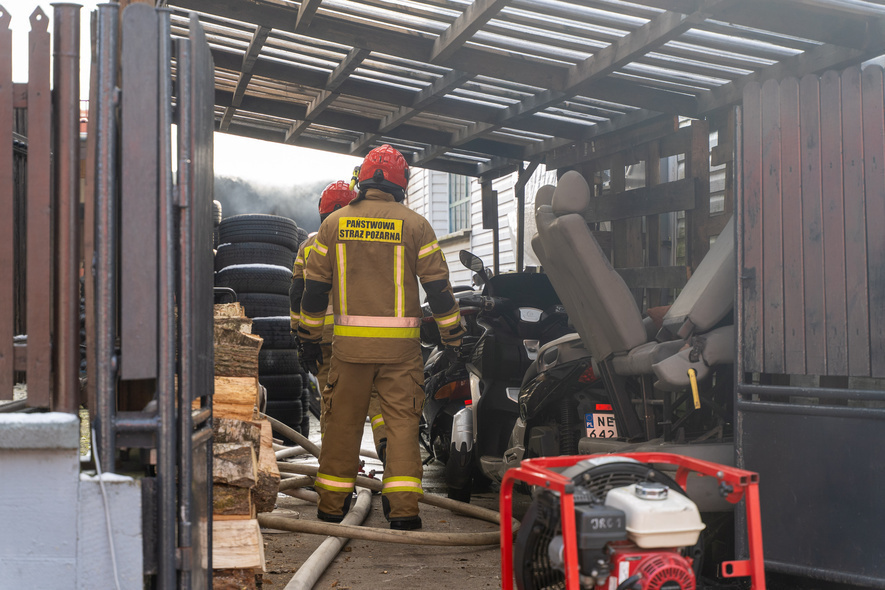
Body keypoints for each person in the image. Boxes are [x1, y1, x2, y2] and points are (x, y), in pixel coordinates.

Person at [297, 144, 464, 530]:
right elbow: (439, 290)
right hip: (401, 353)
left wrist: (307, 336)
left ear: (364, 181)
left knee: (342, 424)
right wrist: (453, 338)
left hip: (348, 350)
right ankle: (403, 511)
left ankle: (332, 506)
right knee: (402, 425)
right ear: (400, 183)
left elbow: (314, 290)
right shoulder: (416, 225)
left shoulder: (334, 224)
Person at [290, 181, 388, 463]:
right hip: (364, 336)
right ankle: (387, 446)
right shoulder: (369, 240)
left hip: (322, 339)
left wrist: (300, 338)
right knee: (375, 396)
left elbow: (297, 295)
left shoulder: (308, 247)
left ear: (323, 210)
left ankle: (337, 465)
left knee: (333, 401)